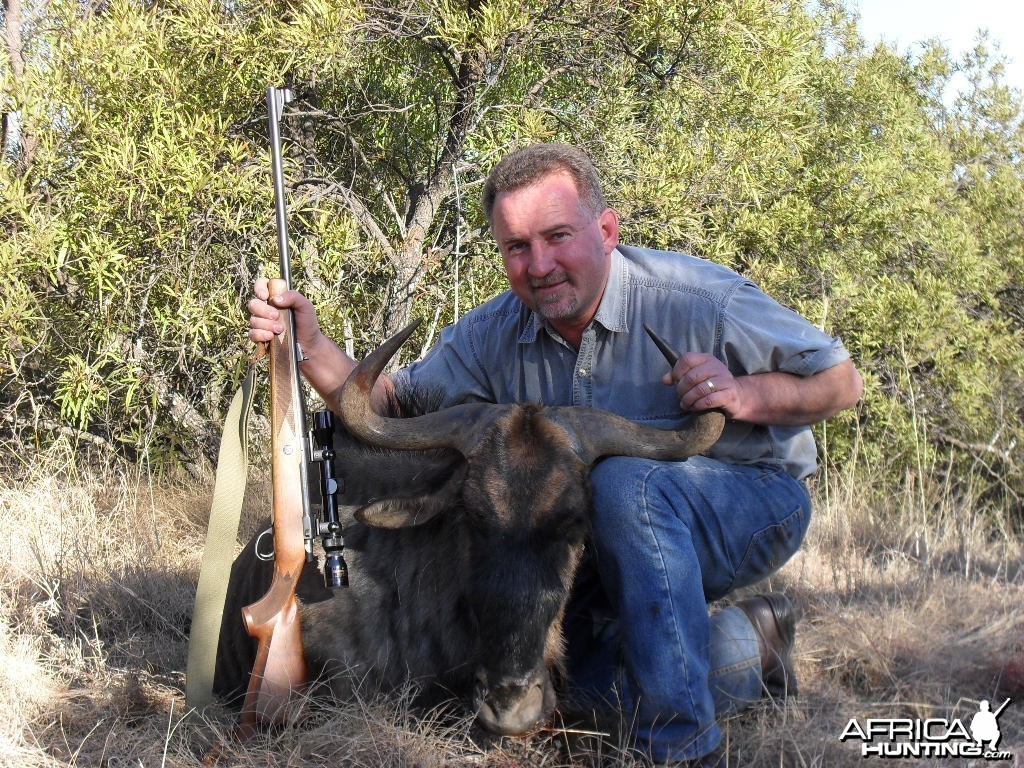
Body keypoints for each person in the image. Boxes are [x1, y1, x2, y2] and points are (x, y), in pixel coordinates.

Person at [248, 143, 863, 766]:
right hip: (602, 534)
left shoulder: (696, 298)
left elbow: (840, 383)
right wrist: (309, 343)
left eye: (558, 236)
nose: (539, 264)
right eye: (517, 246)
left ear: (606, 229)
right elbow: (387, 404)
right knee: (587, 699)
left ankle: (679, 748)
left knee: (626, 487)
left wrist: (743, 392)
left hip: (748, 500)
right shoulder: (493, 331)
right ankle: (747, 640)